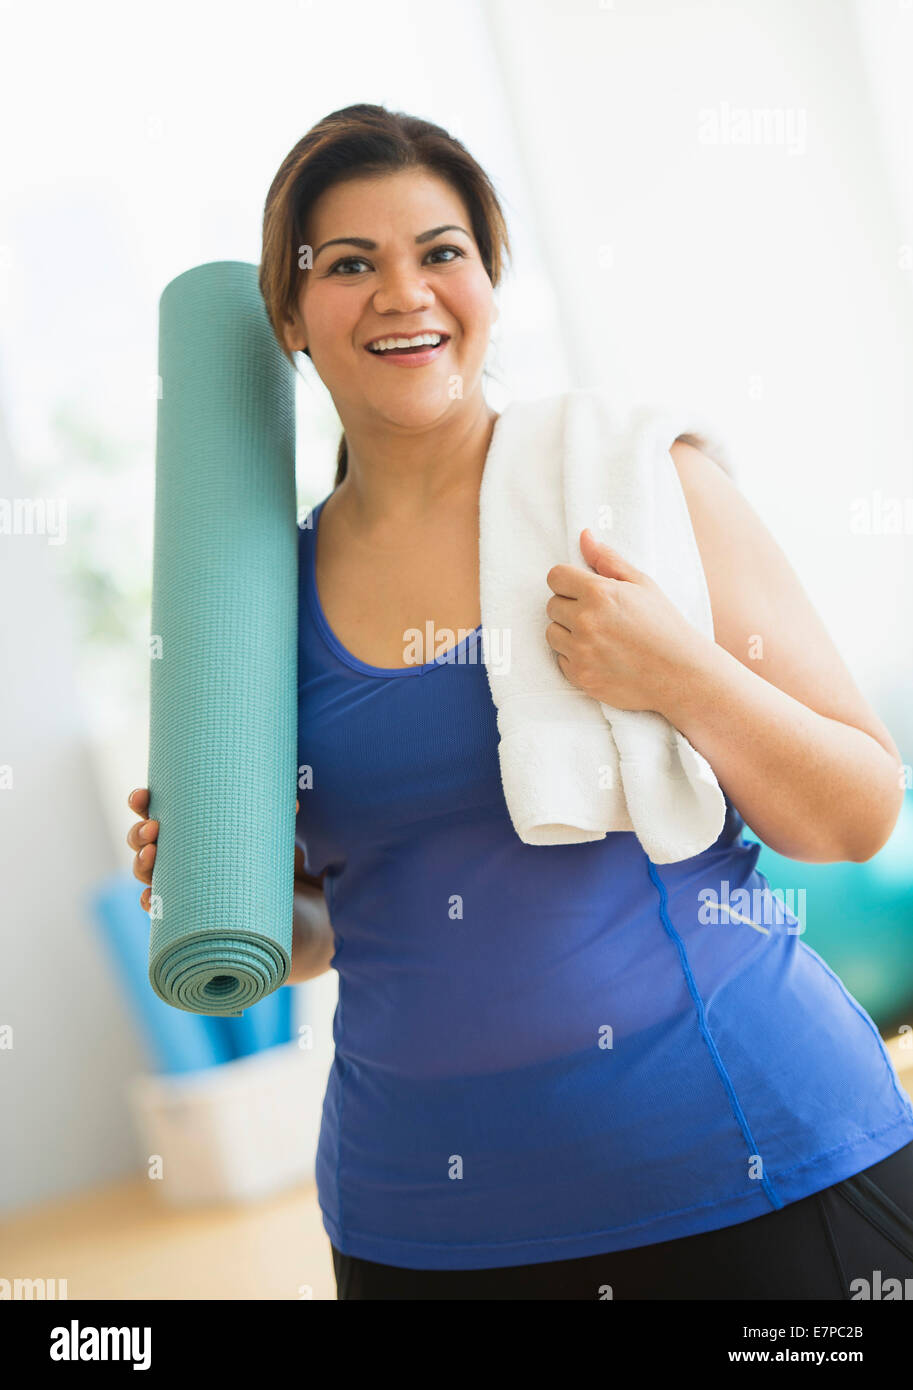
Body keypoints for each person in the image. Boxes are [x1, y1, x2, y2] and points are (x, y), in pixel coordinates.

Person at [128, 104, 913, 1300]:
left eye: (439, 252)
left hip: (752, 1168)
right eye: (349, 264)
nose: (404, 292)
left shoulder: (640, 484)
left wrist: (679, 672)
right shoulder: (256, 604)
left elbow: (855, 814)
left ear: (490, 278)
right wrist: (221, 895)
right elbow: (344, 929)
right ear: (287, 315)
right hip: (425, 1228)